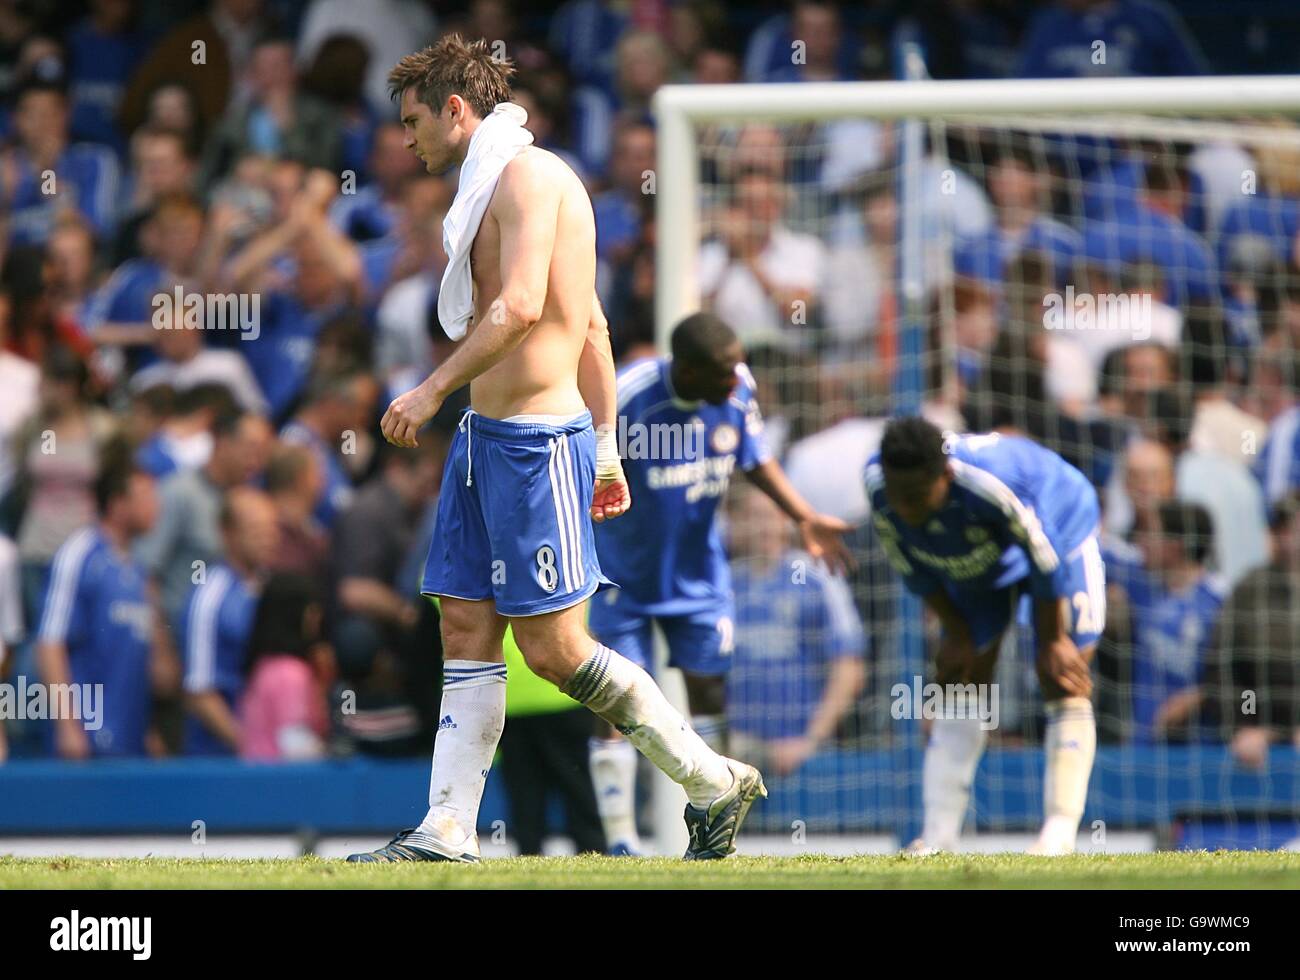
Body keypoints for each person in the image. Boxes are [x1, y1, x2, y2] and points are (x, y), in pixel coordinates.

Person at [348, 34, 764, 864]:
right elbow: (597, 327)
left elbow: (524, 308)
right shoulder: (489, 184)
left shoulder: (532, 178)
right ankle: (448, 831)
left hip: (535, 445)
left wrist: (432, 390)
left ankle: (711, 780)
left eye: (413, 121)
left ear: (457, 111)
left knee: (557, 650)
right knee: (463, 626)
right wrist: (608, 446)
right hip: (485, 441)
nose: (407, 140)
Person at [587, 311, 852, 854]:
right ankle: (620, 841)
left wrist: (802, 517)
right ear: (684, 370)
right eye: (723, 372)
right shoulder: (627, 396)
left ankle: (714, 827)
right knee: (615, 702)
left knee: (708, 692)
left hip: (698, 576)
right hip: (623, 577)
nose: (736, 381)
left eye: (738, 369)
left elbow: (754, 458)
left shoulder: (736, 387)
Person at [865, 417, 1105, 856]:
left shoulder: (992, 484)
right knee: (960, 676)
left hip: (1060, 523)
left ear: (946, 476)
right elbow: (911, 567)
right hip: (983, 552)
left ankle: (1059, 833)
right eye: (898, 498)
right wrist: (957, 633)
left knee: (1064, 673)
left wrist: (1052, 640)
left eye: (917, 498)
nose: (905, 509)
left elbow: (1044, 557)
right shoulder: (880, 486)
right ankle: (937, 839)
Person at [725, 485, 866, 778]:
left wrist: (810, 742)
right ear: (736, 522)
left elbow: (849, 667)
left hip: (805, 759)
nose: (762, 526)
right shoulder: (724, 585)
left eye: (770, 515)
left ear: (786, 520)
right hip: (733, 757)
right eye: (751, 516)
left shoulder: (817, 576)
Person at [35, 447, 162, 759]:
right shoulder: (79, 554)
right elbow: (50, 643)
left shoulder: (137, 570)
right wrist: (67, 726)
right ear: (118, 504)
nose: (156, 506)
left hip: (129, 741)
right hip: (85, 742)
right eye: (146, 497)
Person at [179, 487, 281, 756]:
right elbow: (199, 692)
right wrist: (250, 747)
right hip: (219, 758)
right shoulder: (209, 596)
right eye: (257, 530)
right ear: (229, 534)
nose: (268, 539)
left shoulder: (273, 588)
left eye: (271, 530)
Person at [239, 573, 334, 761]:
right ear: (295, 612)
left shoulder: (265, 666)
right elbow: (295, 744)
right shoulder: (290, 673)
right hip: (277, 783)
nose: (317, 617)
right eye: (311, 610)